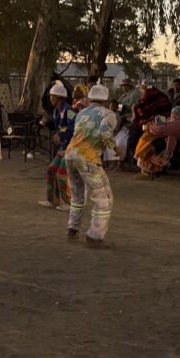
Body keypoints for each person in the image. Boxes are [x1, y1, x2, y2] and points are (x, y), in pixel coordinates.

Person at [64, 84, 117, 247]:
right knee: (104, 197)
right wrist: (115, 148)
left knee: (77, 194)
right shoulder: (108, 114)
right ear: (106, 99)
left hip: (71, 155)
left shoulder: (82, 113)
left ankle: (72, 228)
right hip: (88, 159)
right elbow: (104, 132)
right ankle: (95, 235)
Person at [40, 81, 75, 210]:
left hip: (71, 147)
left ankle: (68, 203)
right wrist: (46, 123)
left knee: (61, 174)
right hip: (63, 147)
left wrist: (60, 134)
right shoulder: (56, 111)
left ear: (58, 97)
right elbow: (56, 125)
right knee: (51, 170)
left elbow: (72, 128)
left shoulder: (69, 110)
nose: (50, 98)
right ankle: (53, 200)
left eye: (52, 96)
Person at [134, 107, 180, 179]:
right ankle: (146, 172)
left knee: (148, 150)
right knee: (147, 146)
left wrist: (151, 127)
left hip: (169, 144)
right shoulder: (176, 121)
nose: (172, 115)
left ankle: (147, 173)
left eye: (173, 113)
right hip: (166, 141)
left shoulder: (178, 123)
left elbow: (160, 130)